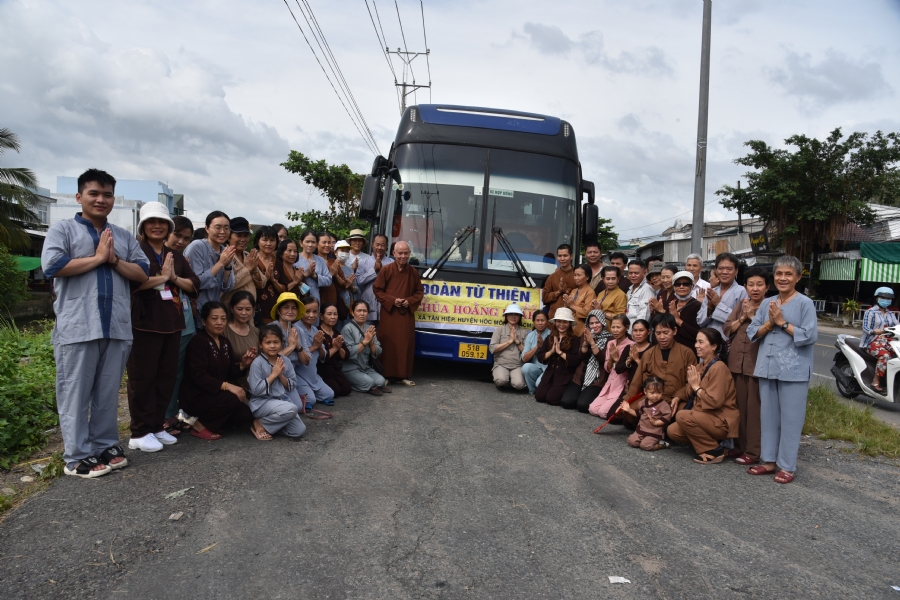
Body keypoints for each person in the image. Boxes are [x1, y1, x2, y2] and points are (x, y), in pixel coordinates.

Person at [41, 169, 150, 477]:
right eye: (94, 193)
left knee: (107, 392)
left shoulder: (123, 236)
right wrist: (99, 258)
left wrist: (114, 260)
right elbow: (52, 265)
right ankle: (76, 456)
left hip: (116, 325)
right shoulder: (62, 230)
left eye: (107, 195)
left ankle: (105, 444)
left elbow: (142, 272)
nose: (101, 199)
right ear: (79, 197)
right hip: (78, 326)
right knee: (74, 393)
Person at [127, 202, 200, 452]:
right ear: (143, 226)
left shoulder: (176, 256)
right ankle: (139, 431)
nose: (157, 226)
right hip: (144, 323)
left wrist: (174, 278)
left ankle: (157, 425)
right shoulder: (136, 252)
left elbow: (194, 283)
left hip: (172, 323)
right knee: (142, 378)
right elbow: (131, 282)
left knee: (165, 377)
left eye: (162, 222)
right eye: (151, 222)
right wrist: (163, 278)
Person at [746, 256, 818, 484]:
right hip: (767, 367)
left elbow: (809, 335)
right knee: (768, 417)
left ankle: (787, 465)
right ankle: (768, 461)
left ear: (798, 277)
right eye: (779, 274)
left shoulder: (805, 303)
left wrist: (782, 323)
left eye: (788, 274)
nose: (783, 278)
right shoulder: (768, 303)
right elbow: (752, 331)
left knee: (791, 420)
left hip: (793, 370)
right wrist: (770, 323)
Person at [179, 301, 256, 440]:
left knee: (245, 414)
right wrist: (227, 386)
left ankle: (207, 422)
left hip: (215, 394)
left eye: (223, 319)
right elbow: (198, 375)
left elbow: (229, 370)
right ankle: (199, 425)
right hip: (196, 395)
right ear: (203, 321)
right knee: (232, 398)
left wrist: (243, 365)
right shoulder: (198, 341)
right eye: (214, 319)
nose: (219, 322)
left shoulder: (225, 342)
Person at [667, 328, 740, 464]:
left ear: (714, 346)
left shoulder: (719, 368)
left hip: (720, 420)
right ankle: (708, 444)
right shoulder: (700, 365)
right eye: (696, 342)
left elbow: (714, 402)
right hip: (704, 416)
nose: (696, 345)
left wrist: (696, 386)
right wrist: (678, 396)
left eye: (701, 342)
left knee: (682, 415)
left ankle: (713, 450)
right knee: (673, 431)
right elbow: (688, 391)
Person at [723, 266, 768, 465]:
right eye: (751, 284)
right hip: (736, 363)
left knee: (754, 411)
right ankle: (739, 446)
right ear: (745, 286)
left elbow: (769, 331)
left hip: (756, 365)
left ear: (767, 287)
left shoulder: (769, 306)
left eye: (759, 284)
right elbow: (727, 328)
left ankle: (753, 451)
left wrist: (752, 318)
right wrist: (743, 317)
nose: (755, 289)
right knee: (738, 407)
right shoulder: (742, 304)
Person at [163, 216, 200, 434]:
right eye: (177, 235)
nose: (181, 241)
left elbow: (194, 284)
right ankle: (161, 417)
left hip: (185, 322)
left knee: (179, 373)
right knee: (164, 372)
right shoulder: (152, 255)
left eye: (186, 238)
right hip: (163, 324)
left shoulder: (181, 259)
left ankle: (172, 414)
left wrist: (174, 278)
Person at [625, 313, 698, 414]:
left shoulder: (687, 353)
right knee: (629, 410)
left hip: (675, 398)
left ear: (674, 331)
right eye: (658, 333)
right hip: (651, 398)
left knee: (682, 414)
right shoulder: (649, 354)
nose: (662, 337)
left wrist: (679, 397)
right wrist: (627, 399)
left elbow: (691, 382)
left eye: (665, 332)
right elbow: (637, 381)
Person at [374, 241, 424, 385]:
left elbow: (419, 292)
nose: (403, 256)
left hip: (405, 314)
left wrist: (409, 301)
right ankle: (386, 374)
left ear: (409, 254)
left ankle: (403, 375)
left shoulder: (413, 272)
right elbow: (377, 289)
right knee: (387, 342)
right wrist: (392, 300)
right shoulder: (386, 270)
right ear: (394, 253)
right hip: (389, 313)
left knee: (405, 343)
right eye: (400, 253)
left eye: (406, 253)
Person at [246, 325, 307, 440]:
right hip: (262, 403)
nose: (272, 346)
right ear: (260, 344)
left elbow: (292, 385)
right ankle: (259, 423)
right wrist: (273, 374)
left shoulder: (286, 360)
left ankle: (269, 426)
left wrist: (280, 375)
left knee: (299, 430)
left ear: (282, 343)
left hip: (281, 402)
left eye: (276, 342)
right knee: (292, 409)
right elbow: (255, 390)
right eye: (268, 342)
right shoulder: (257, 363)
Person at [184, 211, 236, 314]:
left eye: (226, 228)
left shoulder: (225, 251)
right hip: (195, 310)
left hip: (214, 311)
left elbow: (227, 288)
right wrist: (220, 264)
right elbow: (195, 284)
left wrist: (227, 266)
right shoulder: (197, 246)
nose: (222, 232)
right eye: (218, 227)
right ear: (207, 229)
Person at [270, 292, 313, 409]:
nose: (290, 311)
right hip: (275, 374)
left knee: (311, 399)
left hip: (293, 373)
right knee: (297, 407)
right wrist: (290, 346)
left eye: (294, 308)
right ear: (278, 310)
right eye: (286, 307)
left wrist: (298, 346)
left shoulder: (298, 330)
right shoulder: (271, 329)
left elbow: (306, 361)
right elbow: (270, 359)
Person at [561, 310, 611, 411]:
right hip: (581, 374)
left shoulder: (609, 339)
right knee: (567, 402)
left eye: (597, 322)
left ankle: (587, 395)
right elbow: (581, 355)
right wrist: (585, 343)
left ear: (602, 322)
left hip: (597, 377)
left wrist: (592, 343)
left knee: (582, 405)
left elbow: (602, 358)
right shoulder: (586, 335)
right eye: (591, 323)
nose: (594, 326)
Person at [588, 315, 634, 419]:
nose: (615, 330)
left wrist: (616, 359)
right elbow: (607, 368)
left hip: (621, 383)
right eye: (613, 327)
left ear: (626, 327)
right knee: (592, 409)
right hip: (610, 381)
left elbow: (626, 369)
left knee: (603, 413)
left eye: (618, 327)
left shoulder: (631, 345)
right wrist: (611, 359)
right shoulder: (611, 343)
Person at [293, 297, 336, 408]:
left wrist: (320, 347)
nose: (311, 315)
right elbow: (296, 357)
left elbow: (323, 356)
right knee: (311, 400)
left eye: (315, 311)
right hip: (299, 374)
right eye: (307, 311)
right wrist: (315, 346)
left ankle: (309, 393)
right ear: (300, 311)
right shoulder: (295, 329)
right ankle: (307, 395)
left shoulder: (315, 330)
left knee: (330, 394)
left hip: (312, 374)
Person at [535, 307, 582, 406]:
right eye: (559, 321)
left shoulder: (575, 339)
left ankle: (568, 392)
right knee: (539, 397)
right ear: (555, 322)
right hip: (549, 374)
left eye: (565, 322)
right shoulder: (550, 337)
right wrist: (552, 351)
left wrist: (560, 352)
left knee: (551, 399)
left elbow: (576, 360)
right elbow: (540, 356)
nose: (561, 324)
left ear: (570, 323)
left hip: (564, 376)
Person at [342, 300, 390, 395]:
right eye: (359, 311)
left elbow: (377, 351)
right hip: (351, 369)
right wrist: (365, 341)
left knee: (381, 381)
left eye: (365, 311)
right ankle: (352, 383)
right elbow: (349, 353)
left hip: (366, 368)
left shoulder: (369, 328)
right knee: (370, 383)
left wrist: (371, 342)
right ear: (352, 313)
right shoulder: (347, 329)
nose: (362, 314)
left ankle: (367, 385)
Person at [697, 252, 747, 335]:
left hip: (729, 340)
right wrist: (710, 308)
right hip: (709, 339)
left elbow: (740, 319)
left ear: (736, 271)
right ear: (716, 271)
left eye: (729, 269)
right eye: (720, 268)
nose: (724, 272)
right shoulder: (712, 292)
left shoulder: (742, 292)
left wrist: (718, 304)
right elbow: (699, 321)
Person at [620, 376, 673, 451]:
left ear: (663, 391)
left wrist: (656, 422)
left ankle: (661, 444)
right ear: (645, 391)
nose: (655, 395)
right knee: (632, 442)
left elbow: (667, 417)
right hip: (642, 429)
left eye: (659, 392)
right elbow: (638, 413)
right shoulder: (642, 403)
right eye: (652, 393)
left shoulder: (663, 405)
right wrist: (628, 410)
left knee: (645, 446)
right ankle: (645, 439)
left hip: (654, 432)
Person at [221, 216, 264, 307]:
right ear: (228, 237)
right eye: (239, 235)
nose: (243, 239)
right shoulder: (223, 256)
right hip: (230, 309)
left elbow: (262, 283)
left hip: (250, 310)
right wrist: (248, 269)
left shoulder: (248, 255)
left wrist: (255, 269)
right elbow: (226, 286)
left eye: (246, 236)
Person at [862, 287, 898, 393]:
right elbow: (865, 327)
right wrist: (874, 331)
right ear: (877, 298)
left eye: (889, 298)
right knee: (885, 355)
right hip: (872, 341)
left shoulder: (891, 314)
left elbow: (897, 326)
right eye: (883, 297)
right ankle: (875, 381)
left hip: (888, 341)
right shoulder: (870, 312)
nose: (886, 300)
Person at [224, 291, 260, 393]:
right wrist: (242, 364)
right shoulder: (224, 332)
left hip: (256, 382)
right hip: (233, 385)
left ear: (253, 309)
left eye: (248, 309)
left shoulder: (256, 332)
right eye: (239, 309)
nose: (244, 313)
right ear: (231, 309)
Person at [659, 271, 702, 351]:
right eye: (677, 284)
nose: (681, 287)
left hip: (688, 350)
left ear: (692, 286)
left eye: (686, 284)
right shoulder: (672, 303)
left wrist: (677, 320)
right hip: (670, 348)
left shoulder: (697, 306)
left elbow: (698, 333)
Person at [356, 234, 393, 327]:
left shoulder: (392, 264)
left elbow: (394, 283)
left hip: (385, 307)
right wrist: (374, 270)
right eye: (377, 244)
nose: (379, 247)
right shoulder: (364, 262)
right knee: (366, 333)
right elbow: (359, 281)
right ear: (372, 245)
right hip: (368, 306)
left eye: (382, 245)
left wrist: (382, 271)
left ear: (387, 246)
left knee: (383, 333)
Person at [489, 303, 529, 390]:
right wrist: (509, 341)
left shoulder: (523, 332)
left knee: (519, 385)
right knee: (501, 380)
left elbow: (526, 353)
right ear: (506, 316)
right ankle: (502, 378)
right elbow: (492, 348)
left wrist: (517, 342)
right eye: (511, 314)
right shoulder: (499, 330)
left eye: (516, 314)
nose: (513, 317)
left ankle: (513, 379)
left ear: (520, 317)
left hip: (517, 365)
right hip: (501, 364)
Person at [318, 303, 352, 397]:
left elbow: (346, 356)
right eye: (329, 314)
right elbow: (322, 358)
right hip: (323, 370)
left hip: (336, 369)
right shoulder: (318, 332)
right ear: (321, 316)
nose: (333, 317)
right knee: (335, 391)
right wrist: (335, 348)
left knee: (346, 389)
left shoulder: (337, 333)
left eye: (335, 314)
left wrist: (339, 347)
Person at [294, 229, 332, 304]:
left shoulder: (320, 260)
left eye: (313, 242)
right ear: (301, 243)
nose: (310, 245)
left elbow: (329, 280)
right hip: (298, 297)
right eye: (307, 241)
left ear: (317, 244)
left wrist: (315, 276)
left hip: (316, 298)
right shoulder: (294, 258)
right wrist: (306, 274)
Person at [253, 226, 280, 325]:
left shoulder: (279, 262)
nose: (268, 243)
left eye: (272, 240)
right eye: (265, 240)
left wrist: (273, 280)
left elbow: (285, 287)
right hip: (255, 308)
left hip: (276, 309)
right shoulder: (251, 259)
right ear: (258, 241)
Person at [541, 244, 577, 318]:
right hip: (554, 317)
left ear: (571, 256)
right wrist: (558, 292)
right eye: (560, 256)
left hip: (573, 316)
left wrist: (567, 291)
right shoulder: (552, 277)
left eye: (565, 256)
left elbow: (583, 295)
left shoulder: (578, 275)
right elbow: (544, 298)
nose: (562, 259)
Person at [521, 310, 551, 394]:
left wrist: (544, 346)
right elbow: (524, 358)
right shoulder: (530, 336)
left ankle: (540, 390)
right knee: (526, 367)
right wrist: (537, 347)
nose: (540, 323)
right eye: (537, 320)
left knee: (539, 384)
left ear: (547, 321)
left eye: (542, 320)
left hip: (548, 368)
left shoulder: (552, 334)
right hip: (536, 367)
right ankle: (533, 391)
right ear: (534, 322)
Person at [563, 264, 596, 337]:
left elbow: (588, 313)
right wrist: (566, 305)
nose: (576, 278)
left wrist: (572, 305)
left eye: (579, 275)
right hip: (569, 328)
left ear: (587, 277)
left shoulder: (590, 292)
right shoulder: (574, 291)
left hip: (581, 330)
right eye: (575, 275)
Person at [626, 259, 654, 326]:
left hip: (638, 329)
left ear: (644, 273)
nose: (633, 275)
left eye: (636, 273)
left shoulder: (646, 290)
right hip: (628, 327)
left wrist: (637, 329)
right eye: (630, 273)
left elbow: (644, 315)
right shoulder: (630, 290)